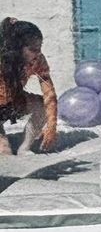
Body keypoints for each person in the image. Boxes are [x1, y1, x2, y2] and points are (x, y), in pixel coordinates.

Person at [0, 18, 58, 156]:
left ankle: (24, 148)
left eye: (40, 47)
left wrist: (52, 125)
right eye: (33, 49)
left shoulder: (37, 60)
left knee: (42, 105)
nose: (38, 53)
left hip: (12, 102)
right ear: (16, 48)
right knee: (5, 152)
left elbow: (49, 94)